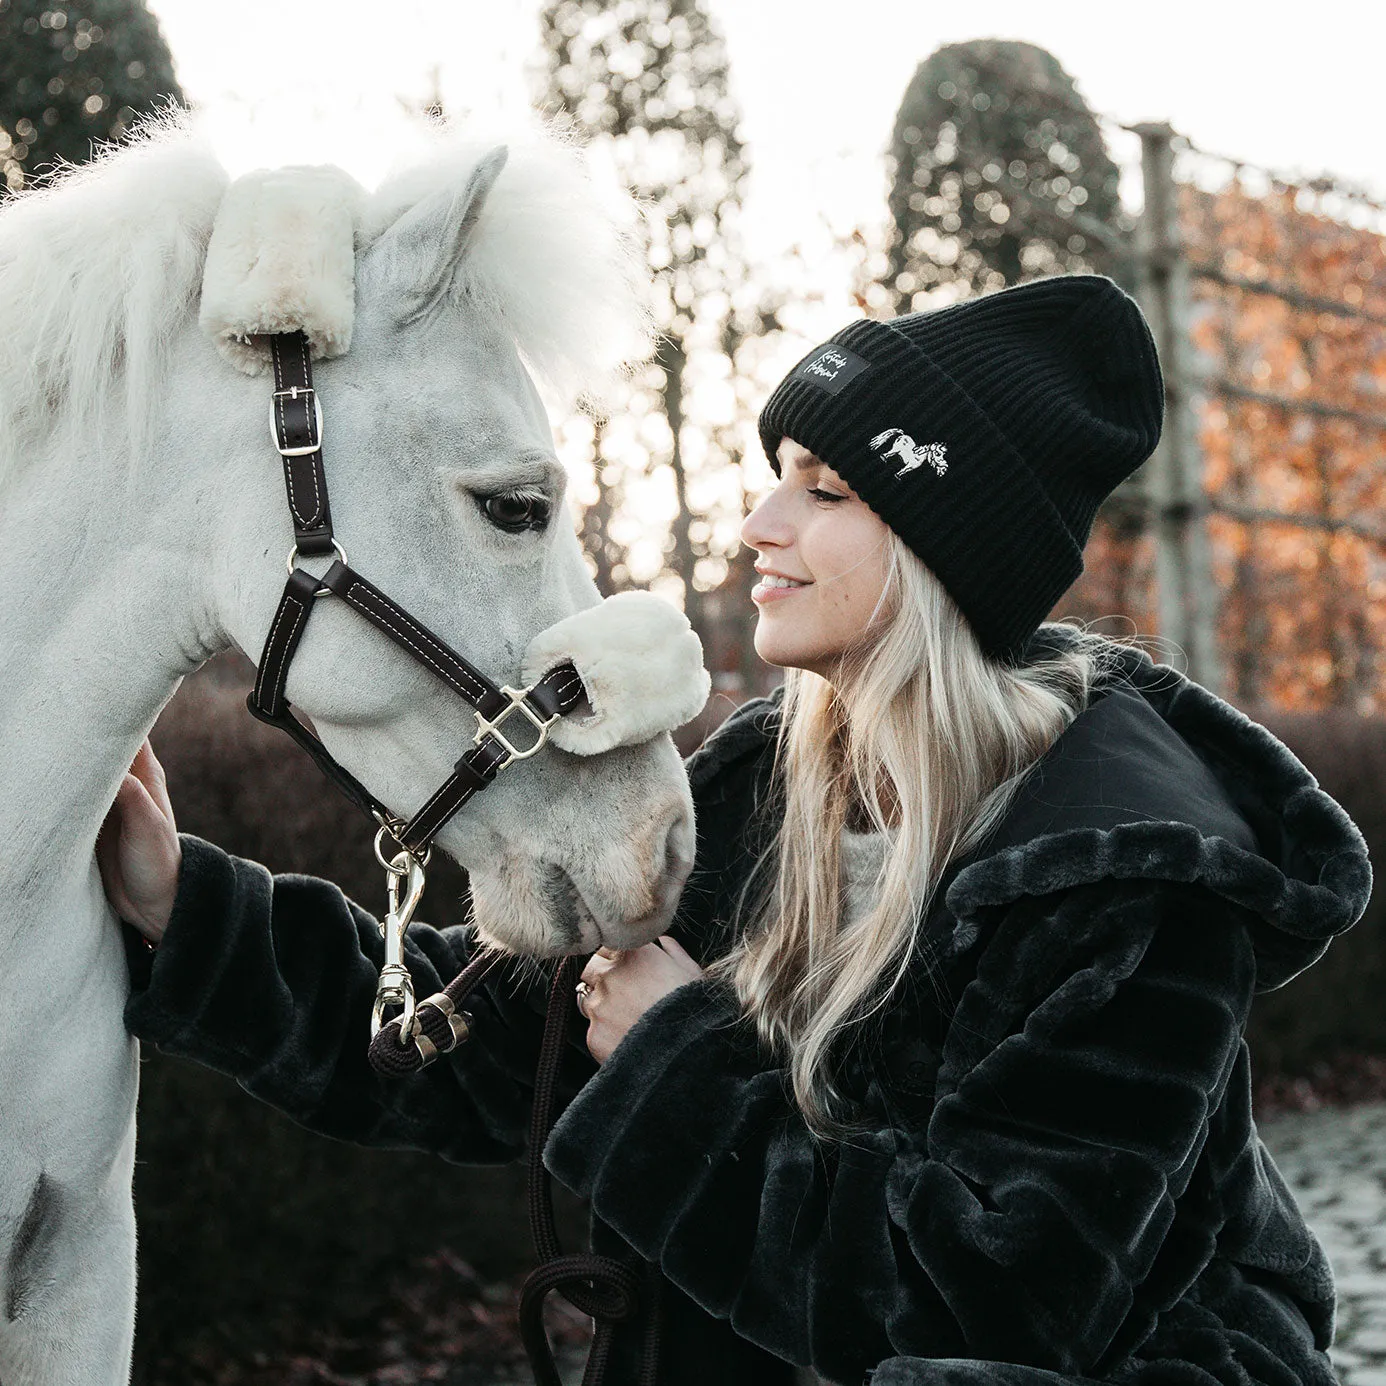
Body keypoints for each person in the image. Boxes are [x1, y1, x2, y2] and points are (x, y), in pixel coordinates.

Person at [100, 274, 1370, 1386]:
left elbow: (993, 1301)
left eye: (826, 492)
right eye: (776, 480)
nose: (761, 526)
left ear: (945, 556)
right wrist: (187, 910)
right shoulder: (768, 782)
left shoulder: (1127, 877)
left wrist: (676, 1058)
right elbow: (493, 1048)